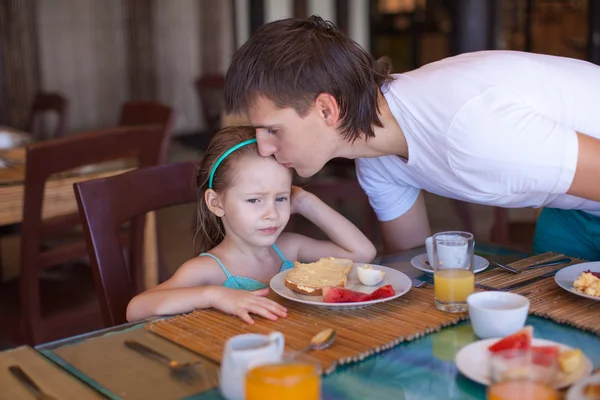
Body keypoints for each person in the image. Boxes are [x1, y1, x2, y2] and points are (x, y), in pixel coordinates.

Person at [223, 15, 600, 261]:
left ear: (326, 110)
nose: (264, 147)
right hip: (572, 209)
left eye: (273, 129)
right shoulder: (375, 156)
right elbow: (412, 263)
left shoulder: (473, 131)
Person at [126, 126, 376, 324]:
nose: (272, 213)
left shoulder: (289, 249)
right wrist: (213, 295)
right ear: (216, 203)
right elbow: (135, 309)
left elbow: (363, 253)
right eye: (255, 200)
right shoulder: (208, 271)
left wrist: (306, 202)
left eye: (280, 198)